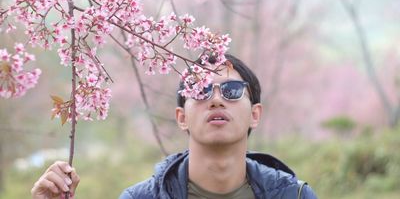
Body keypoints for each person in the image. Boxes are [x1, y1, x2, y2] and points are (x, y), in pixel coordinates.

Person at [31, 54, 318, 199]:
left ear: (255, 114)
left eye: (231, 90)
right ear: (182, 117)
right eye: (200, 91)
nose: (216, 100)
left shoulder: (294, 195)